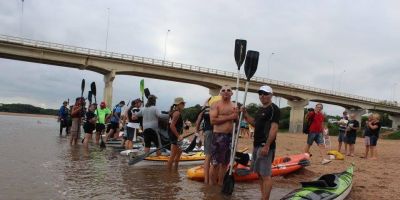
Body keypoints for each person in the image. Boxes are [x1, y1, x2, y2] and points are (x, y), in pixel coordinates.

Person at [242, 85, 280, 200]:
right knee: (259, 173)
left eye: (265, 93)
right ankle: (263, 197)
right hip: (256, 145)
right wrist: (245, 113)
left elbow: (274, 128)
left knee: (265, 175)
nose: (262, 96)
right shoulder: (261, 109)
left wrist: (267, 145)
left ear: (271, 95)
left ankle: (265, 198)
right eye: (260, 94)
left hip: (265, 146)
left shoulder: (274, 109)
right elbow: (254, 123)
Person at [209, 85, 238, 186]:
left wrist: (237, 115)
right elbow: (213, 121)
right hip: (218, 136)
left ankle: (221, 184)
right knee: (215, 163)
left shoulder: (234, 106)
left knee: (225, 163)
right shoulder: (215, 104)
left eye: (228, 90)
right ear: (220, 93)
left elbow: (236, 121)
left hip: (230, 137)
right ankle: (212, 186)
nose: (226, 92)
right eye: (223, 90)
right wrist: (230, 116)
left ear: (232, 93)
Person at [195, 96, 220, 184]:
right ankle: (213, 180)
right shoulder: (217, 108)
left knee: (208, 156)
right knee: (215, 156)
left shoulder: (204, 109)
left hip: (207, 132)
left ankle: (206, 180)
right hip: (217, 132)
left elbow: (198, 122)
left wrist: (197, 133)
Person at [167, 97, 186, 170]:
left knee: (178, 155)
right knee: (172, 156)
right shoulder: (177, 113)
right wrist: (178, 136)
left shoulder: (173, 111)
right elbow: (172, 126)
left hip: (174, 136)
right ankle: (168, 175)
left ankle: (175, 173)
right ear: (179, 104)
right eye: (183, 103)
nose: (184, 105)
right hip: (175, 137)